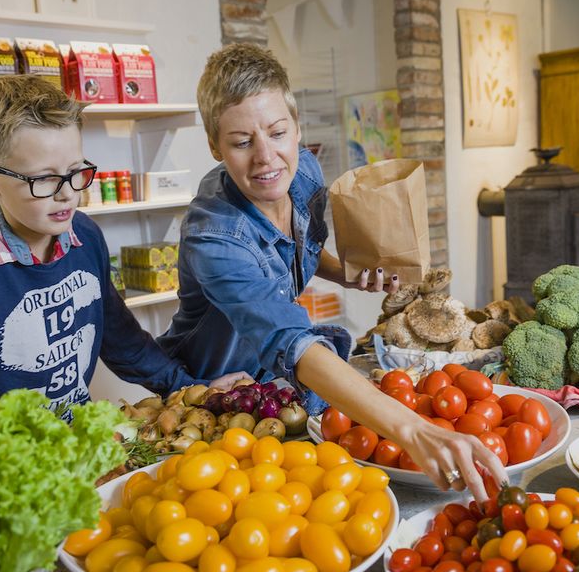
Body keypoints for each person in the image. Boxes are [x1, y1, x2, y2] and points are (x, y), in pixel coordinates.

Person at [157, 44, 507, 501]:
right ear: (214, 146)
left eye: (278, 133)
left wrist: (343, 274)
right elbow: (292, 340)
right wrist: (416, 431)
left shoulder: (301, 172)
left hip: (279, 386)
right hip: (218, 393)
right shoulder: (214, 237)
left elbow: (297, 246)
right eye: (242, 143)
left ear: (297, 129)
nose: (266, 158)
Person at [0, 75, 242, 415]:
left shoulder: (85, 236)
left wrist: (191, 389)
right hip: (2, 456)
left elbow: (120, 339)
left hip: (69, 445)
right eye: (44, 180)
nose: (68, 194)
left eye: (76, 172)